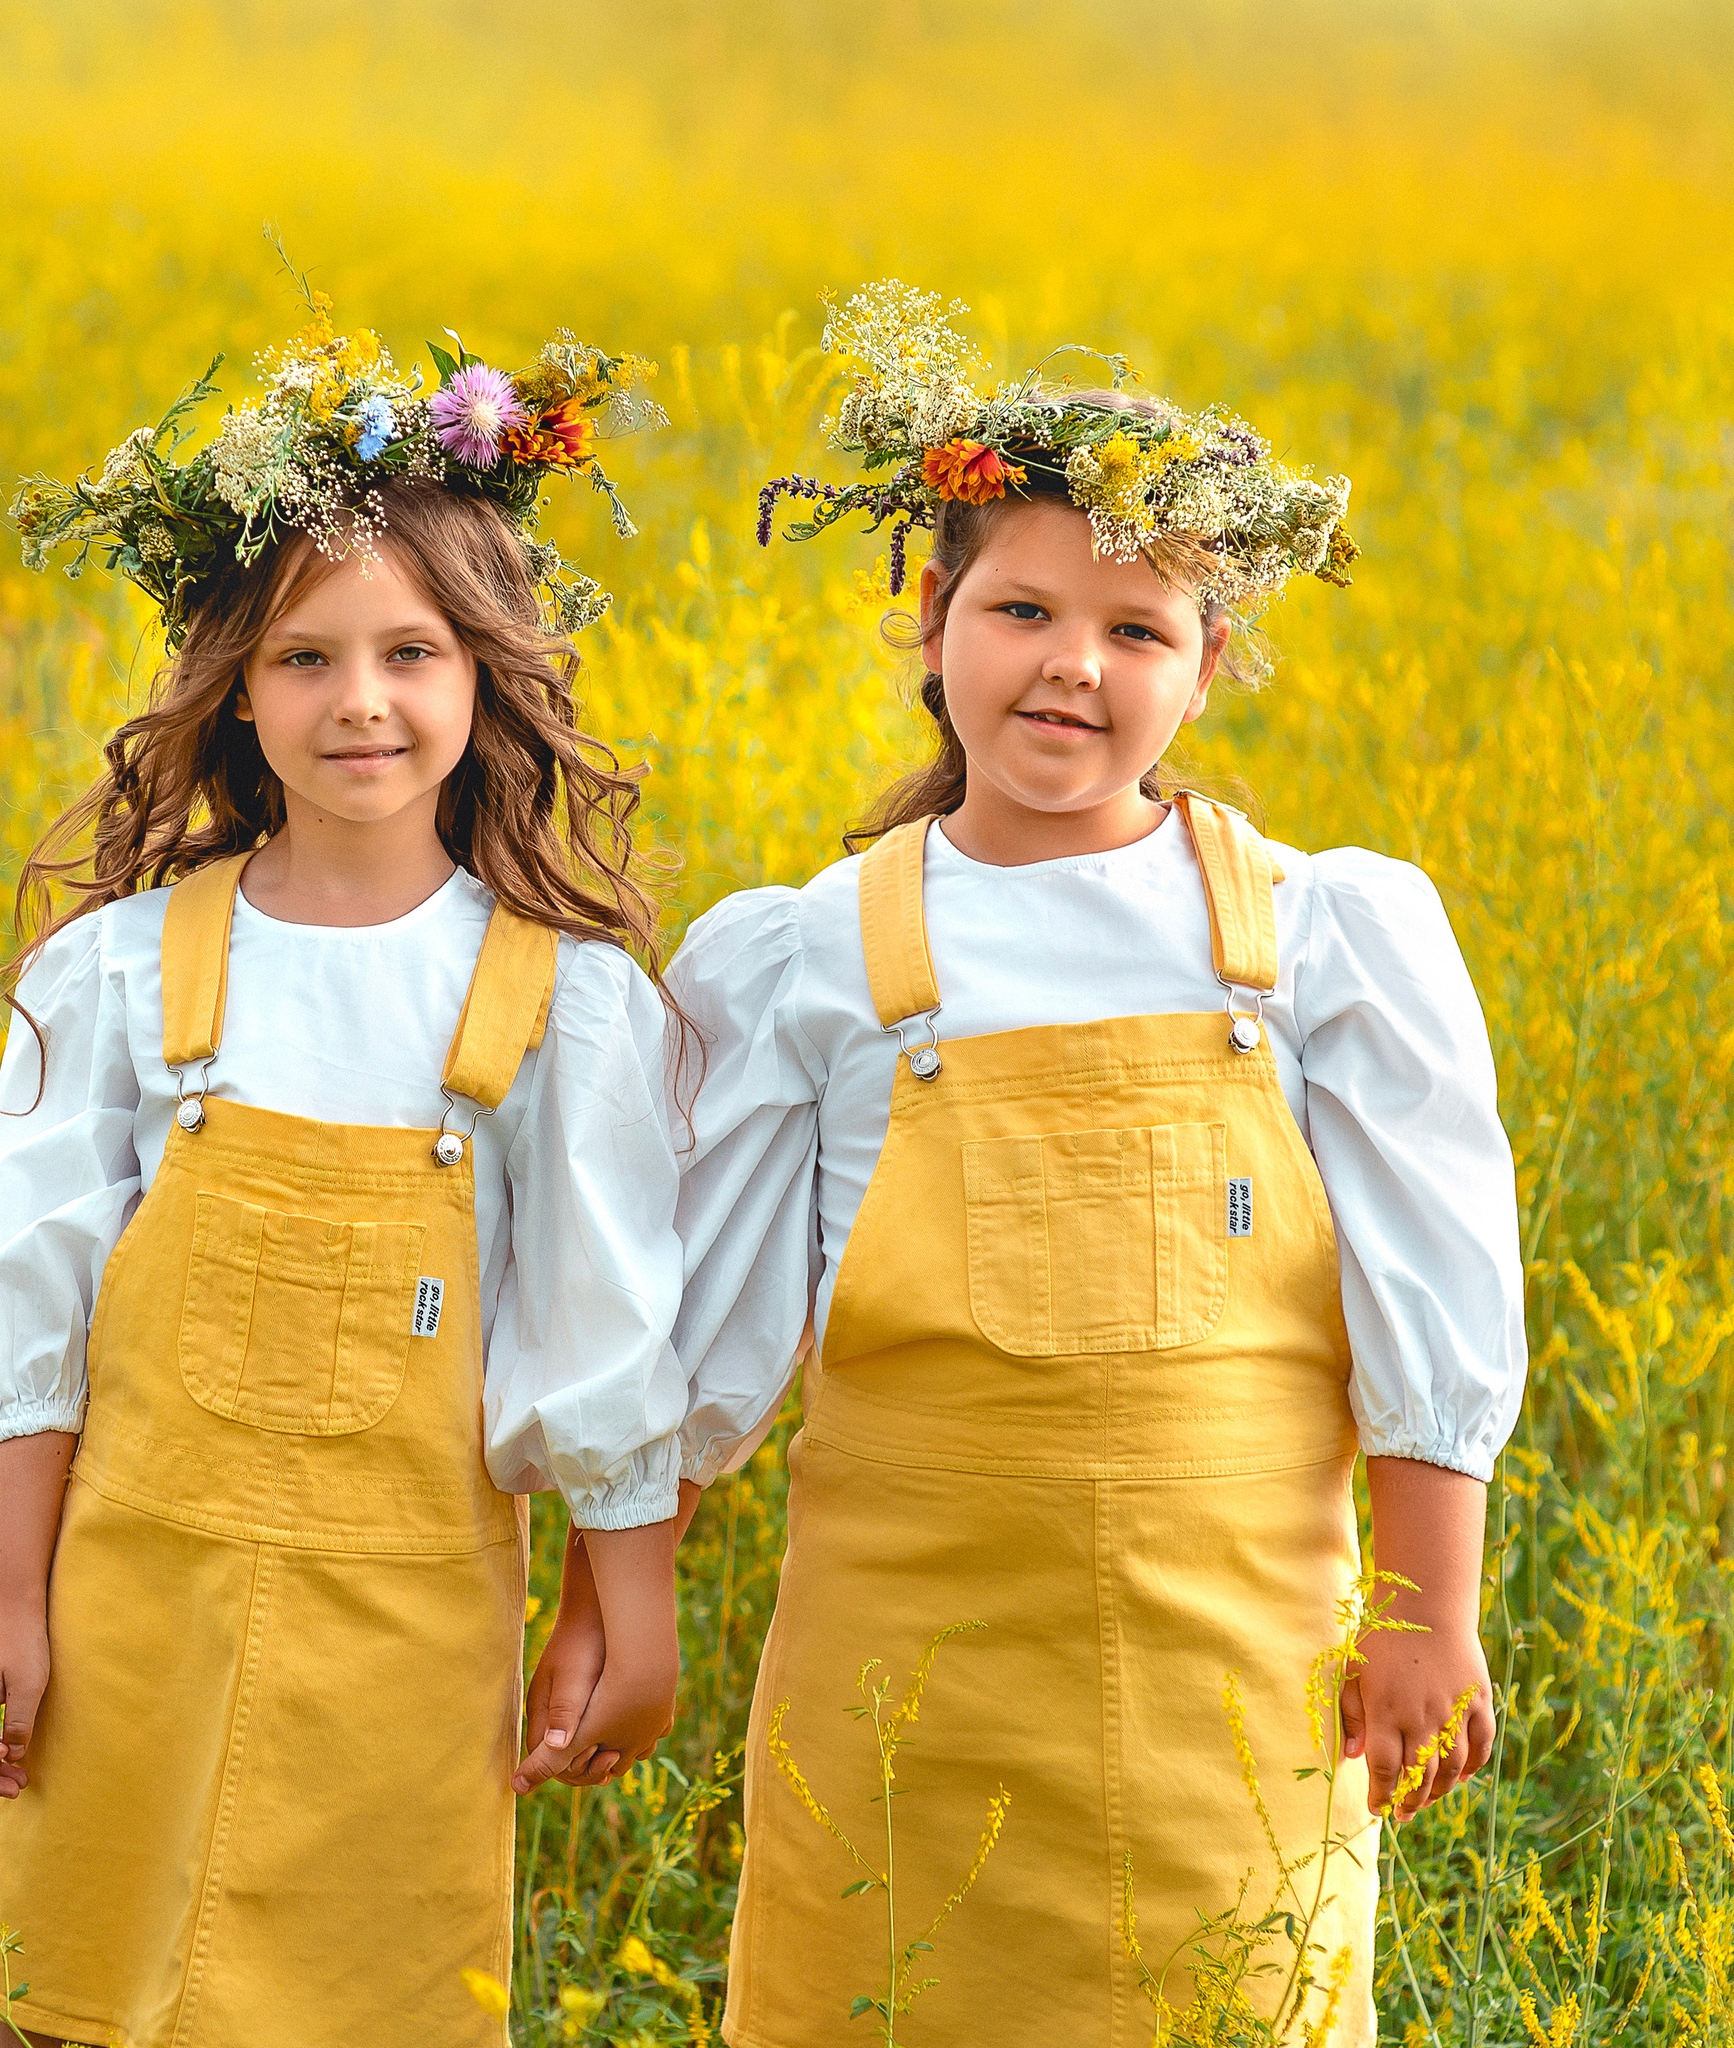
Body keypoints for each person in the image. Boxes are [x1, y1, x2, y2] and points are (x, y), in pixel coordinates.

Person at [668, 283, 1526, 2045]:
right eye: (1025, 608)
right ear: (931, 619)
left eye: (1139, 629)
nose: (1074, 661)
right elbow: (707, 1343)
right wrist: (622, 1593)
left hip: (1235, 1678)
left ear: (1209, 666)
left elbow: (1431, 1284)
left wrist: (1427, 1612)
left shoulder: (1311, 940)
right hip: (902, 1679)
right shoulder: (814, 957)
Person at [0, 306, 690, 2048]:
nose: (361, 702)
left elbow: (604, 1327)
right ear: (229, 690)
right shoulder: (125, 973)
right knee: (79, 2001)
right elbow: (36, 1301)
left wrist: (623, 1611)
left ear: (487, 671)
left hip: (406, 1647)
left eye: (413, 652)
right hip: (132, 1612)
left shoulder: (561, 1003)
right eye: (303, 660)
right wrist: (16, 1609)